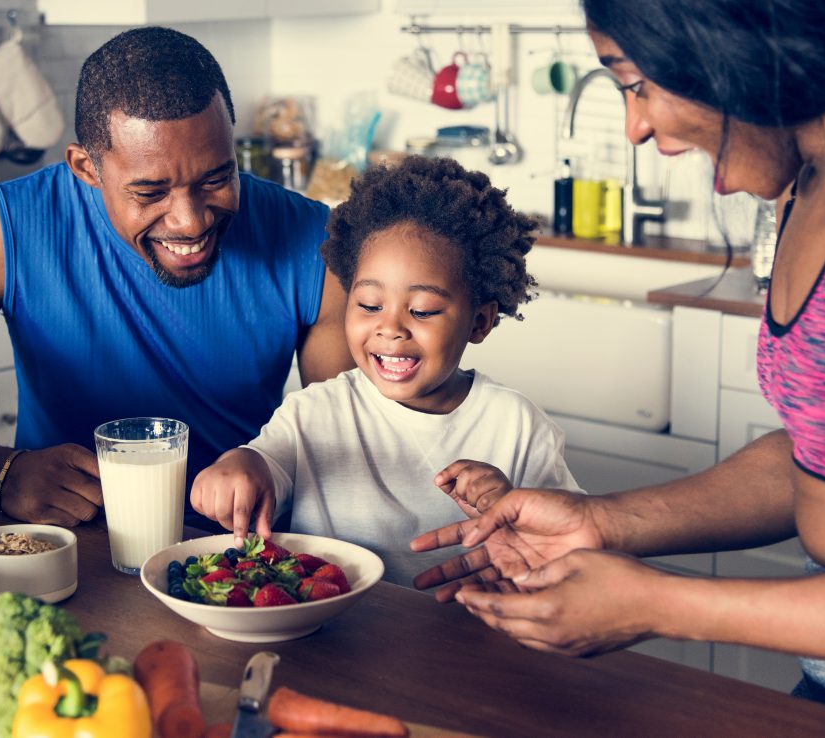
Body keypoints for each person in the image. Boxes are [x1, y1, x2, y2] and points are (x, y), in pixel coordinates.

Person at [409, 0, 825, 707]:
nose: (636, 126)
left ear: (726, 43)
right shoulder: (809, 188)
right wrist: (601, 524)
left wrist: (663, 605)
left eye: (635, 82)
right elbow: (819, 456)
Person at [0, 27, 352, 527]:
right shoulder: (7, 229)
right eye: (150, 192)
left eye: (217, 177)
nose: (190, 221)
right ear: (85, 167)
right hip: (71, 550)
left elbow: (348, 447)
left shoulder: (316, 242)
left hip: (236, 558)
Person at [190, 156, 582, 585]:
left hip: (468, 638)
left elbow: (573, 552)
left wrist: (511, 508)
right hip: (332, 636)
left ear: (479, 322)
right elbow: (266, 463)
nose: (390, 328)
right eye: (369, 306)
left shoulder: (519, 428)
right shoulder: (314, 412)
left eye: (422, 310)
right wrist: (240, 465)